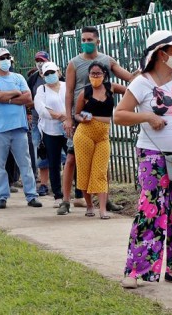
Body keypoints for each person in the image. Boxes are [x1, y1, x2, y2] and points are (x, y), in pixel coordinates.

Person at [114, 30, 172, 288]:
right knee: (151, 210)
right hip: (154, 157)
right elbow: (119, 115)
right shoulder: (141, 83)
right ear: (161, 54)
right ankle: (136, 271)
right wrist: (147, 117)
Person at [62, 26, 132, 214]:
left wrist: (143, 72)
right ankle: (66, 200)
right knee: (71, 159)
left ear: (97, 41)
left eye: (89, 40)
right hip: (81, 117)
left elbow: (128, 78)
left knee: (102, 162)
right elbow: (68, 92)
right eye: (83, 40)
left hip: (100, 120)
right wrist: (69, 118)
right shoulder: (74, 63)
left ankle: (105, 201)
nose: (86, 43)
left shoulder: (106, 61)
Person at [0, 48, 41, 209]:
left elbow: (28, 98)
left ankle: (31, 195)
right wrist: (15, 93)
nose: (6, 60)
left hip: (18, 127)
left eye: (8, 57)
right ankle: (1, 196)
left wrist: (6, 98)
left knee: (25, 163)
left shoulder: (18, 77)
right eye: (2, 57)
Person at [73, 62, 125, 219]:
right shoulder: (85, 92)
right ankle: (89, 205)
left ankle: (103, 209)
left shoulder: (111, 87)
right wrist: (82, 119)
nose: (95, 76)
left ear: (104, 74)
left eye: (98, 73)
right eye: (92, 74)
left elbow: (130, 92)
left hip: (103, 135)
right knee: (84, 170)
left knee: (100, 171)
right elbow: (76, 114)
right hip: (85, 134)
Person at [34, 62, 68, 209]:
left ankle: (78, 194)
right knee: (53, 164)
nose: (50, 76)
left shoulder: (67, 86)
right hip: (50, 131)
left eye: (52, 72)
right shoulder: (42, 90)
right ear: (42, 75)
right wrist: (61, 117)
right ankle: (58, 195)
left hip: (68, 130)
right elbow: (42, 109)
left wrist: (68, 119)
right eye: (46, 74)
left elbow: (73, 103)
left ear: (58, 72)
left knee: (73, 161)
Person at [28, 51, 54, 196]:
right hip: (38, 120)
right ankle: (43, 184)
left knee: (62, 154)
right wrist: (31, 109)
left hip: (57, 120)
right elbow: (27, 95)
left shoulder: (58, 78)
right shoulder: (33, 79)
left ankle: (64, 185)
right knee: (41, 152)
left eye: (42, 60)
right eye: (37, 60)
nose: (40, 63)